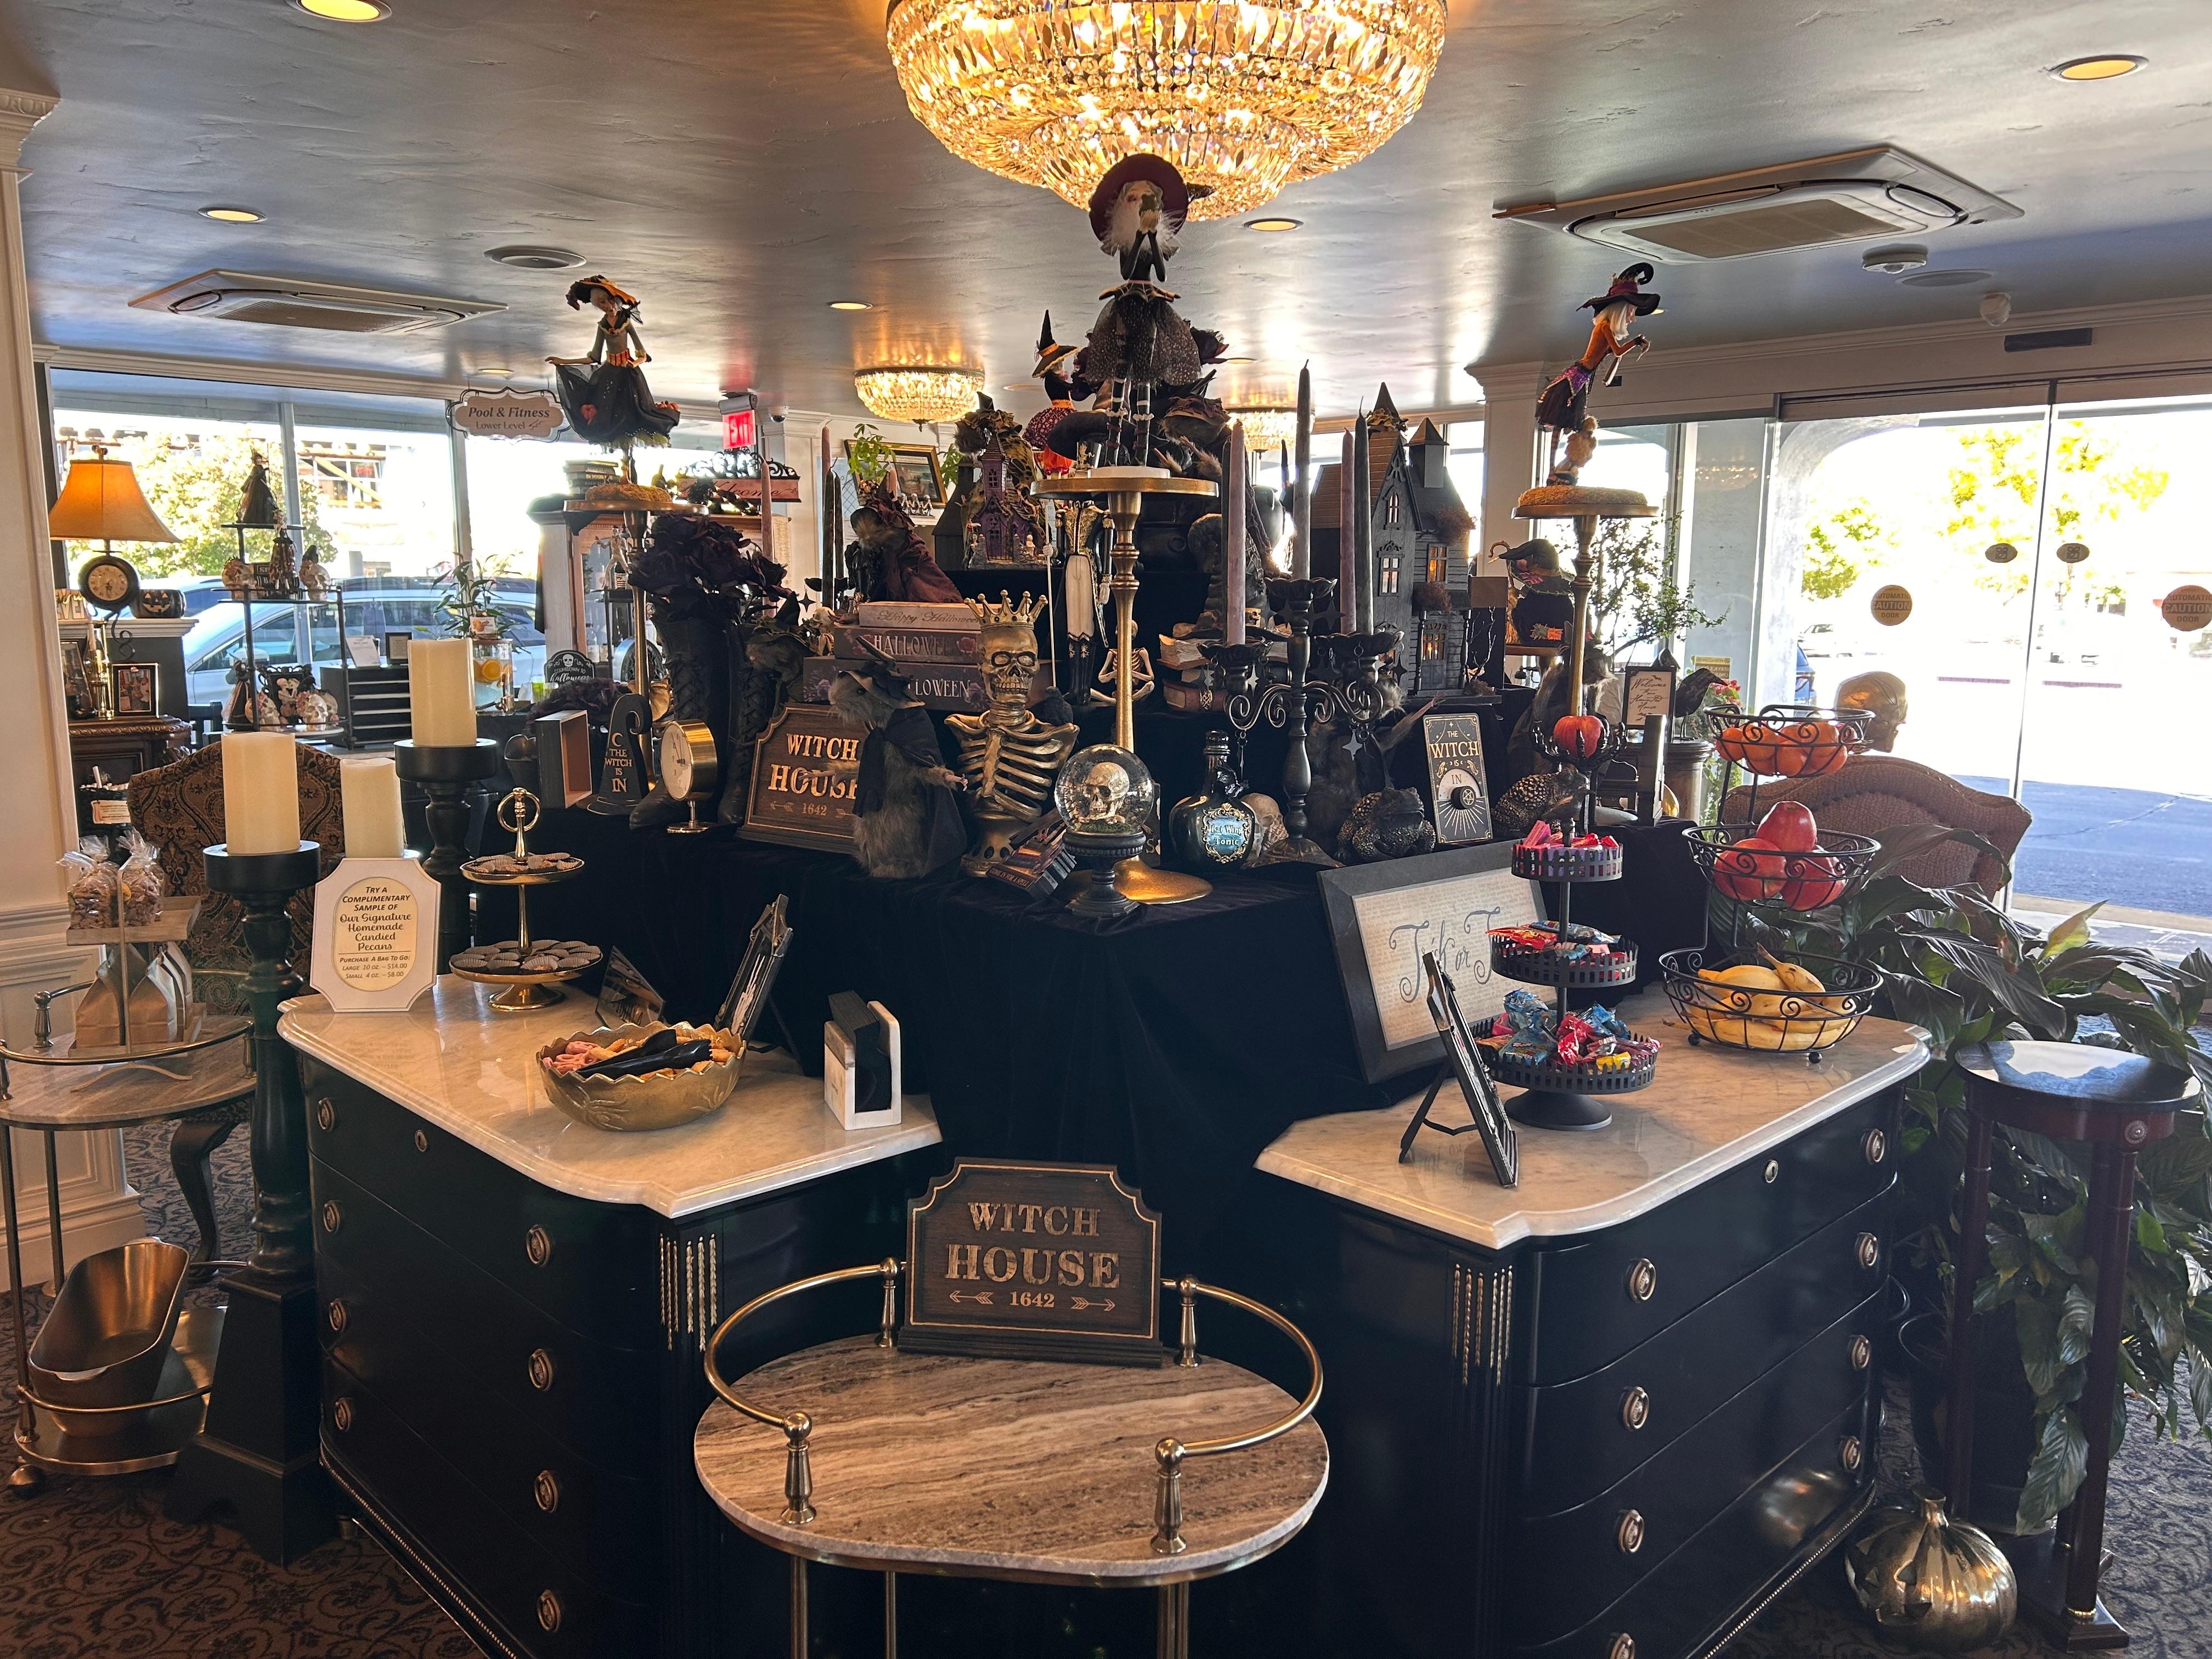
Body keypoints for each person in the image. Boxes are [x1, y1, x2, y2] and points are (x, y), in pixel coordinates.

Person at [1534, 264, 1660, 480]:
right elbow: (1618, 351)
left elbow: (1613, 353)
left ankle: (1561, 466)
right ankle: (1552, 471)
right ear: (1621, 309)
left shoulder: (1605, 328)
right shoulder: (1604, 327)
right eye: (1631, 311)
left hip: (1583, 378)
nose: (1632, 317)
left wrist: (1634, 343)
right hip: (1577, 377)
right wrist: (1636, 342)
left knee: (1567, 426)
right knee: (1560, 425)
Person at [546, 276, 680, 450]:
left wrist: (635, 363)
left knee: (636, 410)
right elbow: (594, 357)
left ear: (616, 301)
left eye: (608, 301)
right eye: (602, 303)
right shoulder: (602, 326)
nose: (607, 306)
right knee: (609, 412)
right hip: (609, 374)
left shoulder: (626, 322)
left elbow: (642, 353)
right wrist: (563, 362)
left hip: (629, 373)